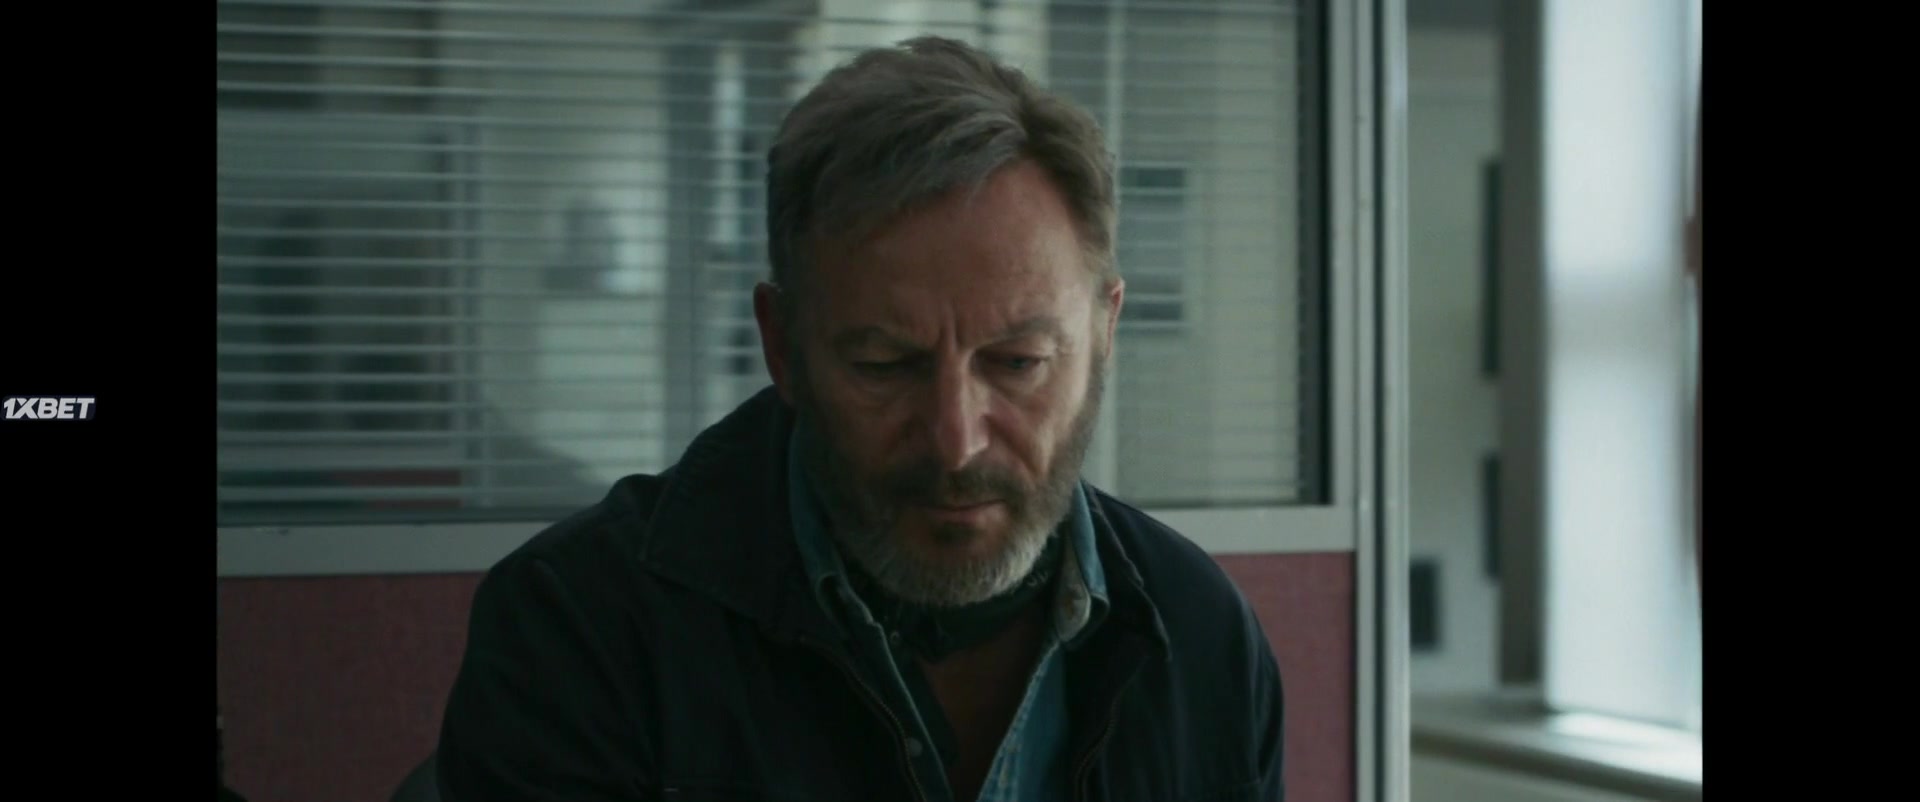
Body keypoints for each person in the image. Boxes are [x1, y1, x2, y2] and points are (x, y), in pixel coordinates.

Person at [435, 35, 1286, 802]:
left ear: (1103, 334)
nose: (956, 441)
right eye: (884, 366)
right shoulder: (580, 630)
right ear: (782, 346)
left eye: (1018, 363)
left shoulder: (1201, 636)